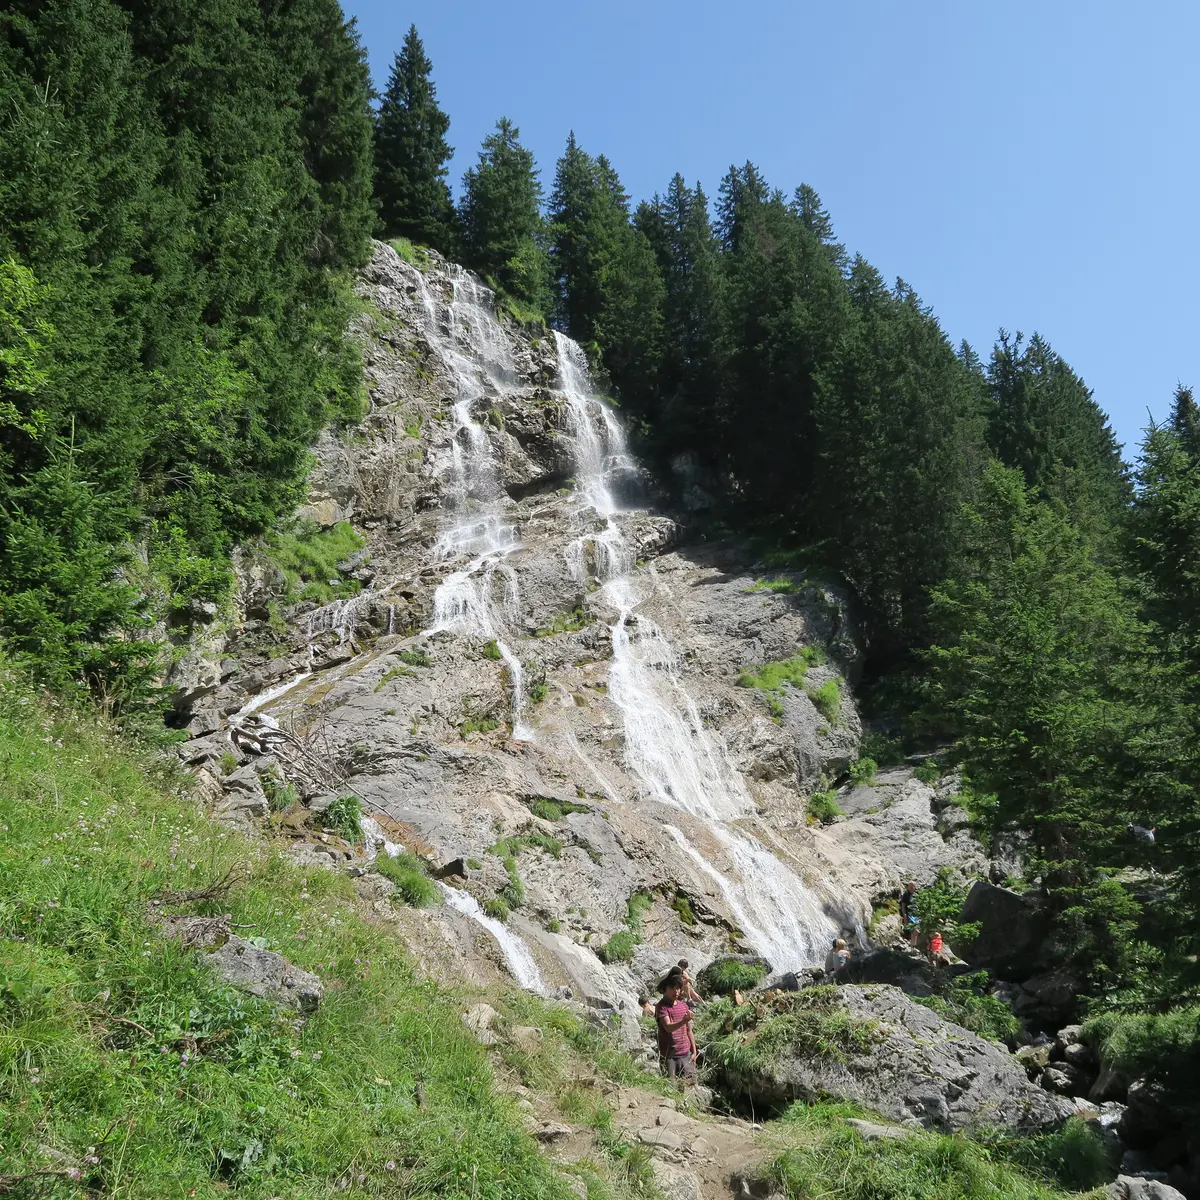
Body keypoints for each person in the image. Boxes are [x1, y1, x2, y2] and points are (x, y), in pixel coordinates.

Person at [655, 970, 697, 1084]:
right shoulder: (662, 1007)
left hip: (686, 1054)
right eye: (672, 988)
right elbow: (668, 1027)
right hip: (670, 1057)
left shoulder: (683, 1005)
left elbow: (689, 1030)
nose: (676, 991)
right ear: (664, 989)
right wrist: (684, 1020)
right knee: (671, 1087)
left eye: (678, 987)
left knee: (690, 1084)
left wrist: (694, 1051)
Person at [898, 880, 920, 947]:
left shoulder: (916, 895)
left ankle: (913, 945)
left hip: (916, 914)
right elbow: (903, 907)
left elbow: (919, 905)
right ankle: (912, 946)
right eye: (909, 887)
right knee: (914, 930)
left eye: (912, 886)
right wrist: (904, 916)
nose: (910, 888)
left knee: (916, 932)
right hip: (909, 914)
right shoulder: (906, 895)